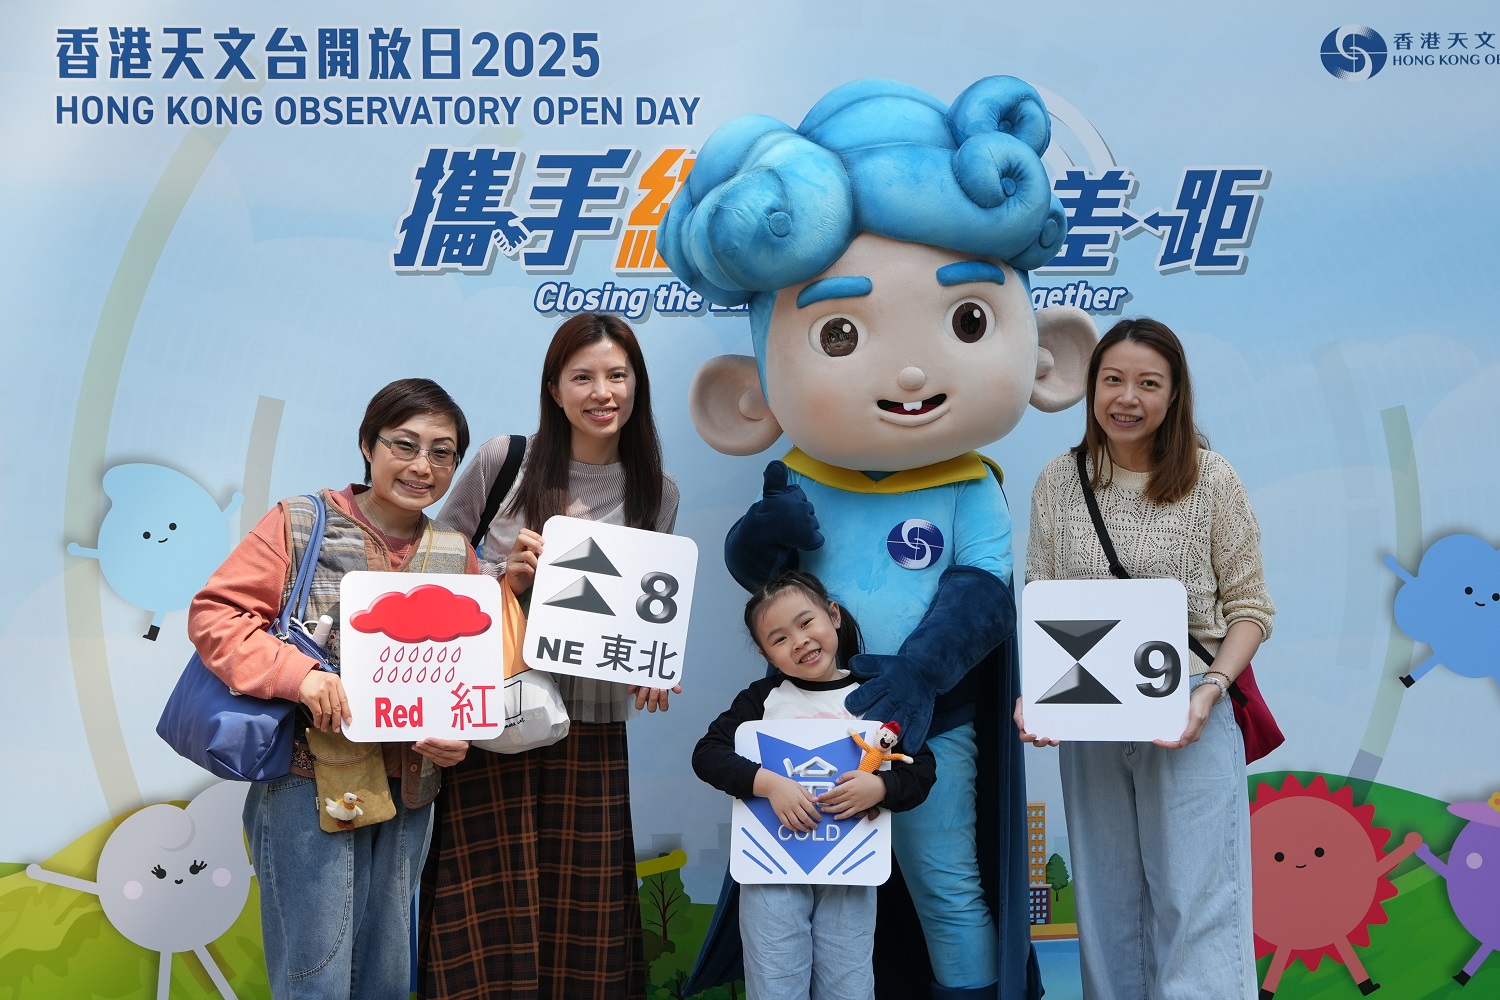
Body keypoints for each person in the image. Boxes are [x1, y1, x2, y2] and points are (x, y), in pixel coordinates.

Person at [187, 378, 478, 1000]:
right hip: (308, 782)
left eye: (442, 451)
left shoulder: (457, 553)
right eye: (404, 444)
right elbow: (215, 614)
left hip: (409, 788)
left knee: (387, 978)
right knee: (312, 975)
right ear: (368, 446)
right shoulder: (301, 521)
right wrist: (301, 676)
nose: (421, 466)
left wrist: (460, 736)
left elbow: (469, 668)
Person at [419, 312, 681, 1000]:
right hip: (494, 713)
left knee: (582, 898)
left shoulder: (658, 489)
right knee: (484, 897)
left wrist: (655, 665)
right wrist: (505, 576)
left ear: (637, 385)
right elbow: (430, 572)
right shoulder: (504, 460)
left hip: (591, 720)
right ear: (555, 387)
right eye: (584, 376)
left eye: (618, 375)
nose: (604, 392)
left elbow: (648, 612)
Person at [1017, 317, 1277, 999]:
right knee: (1106, 909)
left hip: (1190, 709)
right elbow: (1041, 599)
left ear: (1173, 395)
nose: (1126, 397)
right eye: (1113, 380)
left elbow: (1250, 609)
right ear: (1093, 386)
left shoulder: (1213, 480)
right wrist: (1034, 692)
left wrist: (1212, 688)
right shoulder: (1058, 481)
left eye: (1147, 383)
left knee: (1199, 903)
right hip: (1091, 718)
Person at [693, 570, 937, 1000]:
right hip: (773, 870)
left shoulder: (875, 695)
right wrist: (768, 784)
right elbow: (709, 754)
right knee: (774, 982)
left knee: (849, 984)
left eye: (806, 623)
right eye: (779, 638)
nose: (800, 641)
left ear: (834, 616)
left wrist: (880, 789)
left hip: (850, 867)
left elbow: (921, 766)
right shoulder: (761, 699)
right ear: (764, 651)